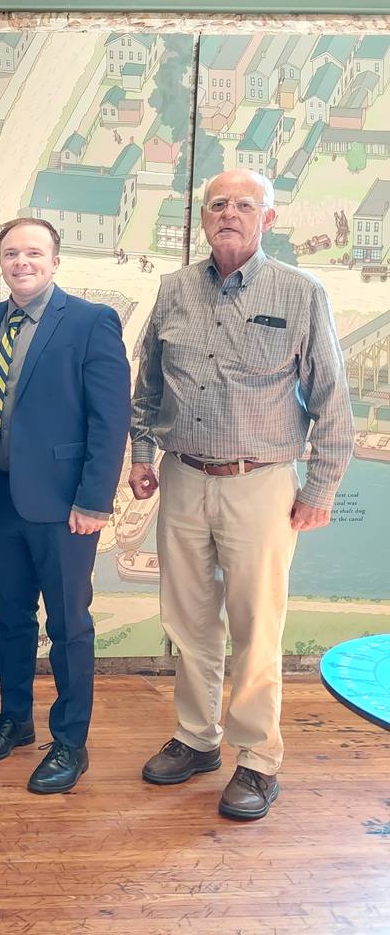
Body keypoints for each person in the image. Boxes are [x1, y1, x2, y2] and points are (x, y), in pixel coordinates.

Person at [130, 168, 353, 821]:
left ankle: (257, 760)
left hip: (261, 484)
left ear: (269, 219)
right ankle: (198, 740)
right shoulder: (173, 290)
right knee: (188, 620)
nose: (229, 213)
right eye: (217, 204)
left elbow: (332, 399)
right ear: (203, 217)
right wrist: (143, 455)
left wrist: (322, 488)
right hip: (182, 477)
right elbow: (148, 384)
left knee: (257, 627)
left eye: (244, 205)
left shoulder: (301, 292)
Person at [0, 217, 130, 794]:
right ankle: (15, 721)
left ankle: (70, 741)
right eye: (11, 253)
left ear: (55, 261)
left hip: (64, 507)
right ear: (0, 262)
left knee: (69, 626)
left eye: (33, 252)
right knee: (11, 619)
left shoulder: (91, 322)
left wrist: (94, 500)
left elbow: (110, 421)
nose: (22, 262)